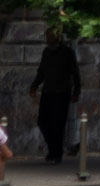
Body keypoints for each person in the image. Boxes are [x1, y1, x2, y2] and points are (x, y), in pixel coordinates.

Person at [28, 28, 81, 164]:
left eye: (50, 36)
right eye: (47, 36)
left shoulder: (67, 52)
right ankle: (54, 149)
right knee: (43, 122)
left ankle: (56, 154)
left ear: (57, 37)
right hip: (48, 92)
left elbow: (75, 73)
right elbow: (41, 72)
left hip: (62, 92)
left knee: (58, 124)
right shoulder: (46, 52)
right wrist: (34, 86)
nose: (48, 39)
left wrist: (76, 92)